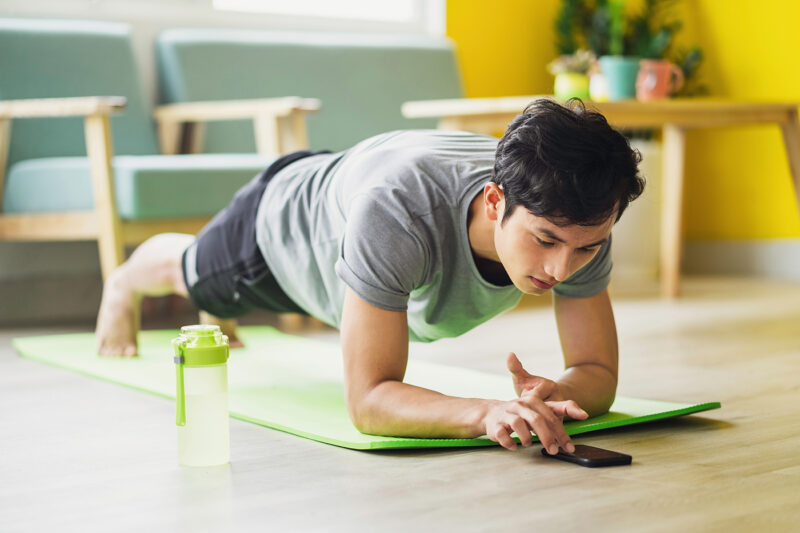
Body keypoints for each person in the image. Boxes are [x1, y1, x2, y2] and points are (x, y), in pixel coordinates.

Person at [95, 98, 644, 453]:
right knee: (192, 273)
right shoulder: (397, 213)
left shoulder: (581, 215)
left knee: (220, 303)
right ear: (496, 201)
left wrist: (556, 394)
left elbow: (596, 370)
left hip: (355, 189)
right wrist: (484, 412)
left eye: (585, 249)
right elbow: (368, 399)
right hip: (284, 226)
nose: (561, 268)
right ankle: (124, 281)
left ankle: (219, 311)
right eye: (545, 241)